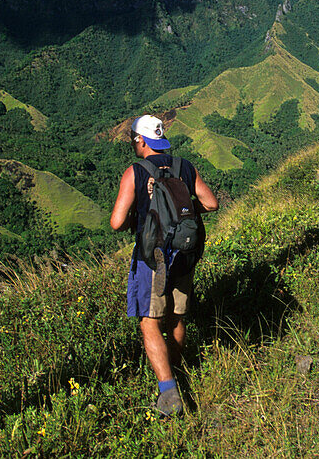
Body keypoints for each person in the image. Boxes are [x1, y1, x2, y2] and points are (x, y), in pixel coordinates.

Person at [109, 114, 219, 416]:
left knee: (150, 321)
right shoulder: (185, 167)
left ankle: (169, 392)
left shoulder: (135, 172)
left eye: (134, 139)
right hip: (184, 254)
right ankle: (177, 368)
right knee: (176, 318)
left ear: (140, 141)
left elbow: (117, 222)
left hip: (152, 258)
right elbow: (211, 204)